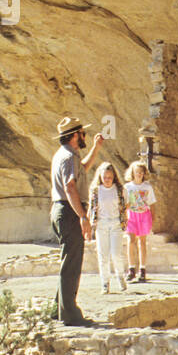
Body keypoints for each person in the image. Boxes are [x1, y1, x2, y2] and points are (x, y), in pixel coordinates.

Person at [50, 116, 104, 326]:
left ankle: (58, 309)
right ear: (74, 135)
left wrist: (96, 149)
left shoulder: (65, 155)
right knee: (72, 264)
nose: (85, 137)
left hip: (61, 209)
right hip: (69, 211)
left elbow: (83, 168)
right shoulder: (68, 158)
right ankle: (70, 315)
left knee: (68, 261)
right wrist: (82, 216)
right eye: (83, 133)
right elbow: (70, 187)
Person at [88, 161, 128, 294]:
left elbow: (126, 204)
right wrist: (88, 224)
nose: (107, 180)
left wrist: (123, 216)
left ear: (114, 177)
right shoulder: (96, 190)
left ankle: (120, 276)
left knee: (116, 253)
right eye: (104, 177)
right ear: (100, 177)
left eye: (109, 177)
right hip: (101, 224)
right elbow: (91, 208)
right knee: (103, 255)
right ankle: (105, 282)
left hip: (116, 223)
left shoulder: (120, 190)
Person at [123, 161, 157, 283]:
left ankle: (142, 269)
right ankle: (131, 269)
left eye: (141, 172)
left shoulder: (147, 187)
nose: (139, 174)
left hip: (144, 215)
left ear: (144, 173)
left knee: (142, 242)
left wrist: (153, 218)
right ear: (132, 173)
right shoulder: (127, 187)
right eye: (137, 172)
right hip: (131, 215)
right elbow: (125, 204)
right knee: (130, 241)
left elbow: (152, 203)